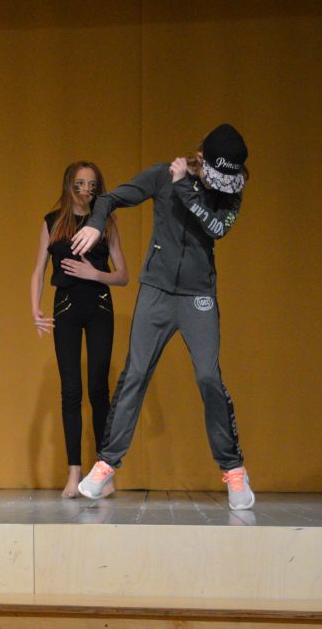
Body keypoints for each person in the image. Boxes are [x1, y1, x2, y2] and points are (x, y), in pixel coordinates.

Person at [71, 124, 254, 510]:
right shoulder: (162, 174)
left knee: (208, 377)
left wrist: (185, 186)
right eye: (213, 172)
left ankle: (234, 469)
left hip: (198, 295)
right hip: (156, 291)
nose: (218, 182)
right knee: (136, 374)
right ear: (201, 157)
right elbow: (110, 199)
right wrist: (95, 223)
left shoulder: (231, 191)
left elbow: (215, 227)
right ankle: (106, 464)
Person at [29, 161, 128, 498]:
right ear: (69, 184)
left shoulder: (106, 222)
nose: (86, 189)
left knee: (98, 388)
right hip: (66, 308)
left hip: (99, 306)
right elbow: (39, 270)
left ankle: (104, 472)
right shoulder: (53, 221)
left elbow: (123, 275)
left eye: (92, 184)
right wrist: (35, 308)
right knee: (70, 390)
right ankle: (74, 472)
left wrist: (94, 274)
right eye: (80, 183)